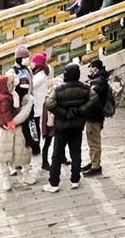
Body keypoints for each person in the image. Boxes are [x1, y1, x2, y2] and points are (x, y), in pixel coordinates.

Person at [42, 63, 100, 193]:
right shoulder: (84, 88)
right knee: (75, 153)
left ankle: (54, 183)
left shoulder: (59, 89)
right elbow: (94, 98)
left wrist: (63, 113)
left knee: (57, 155)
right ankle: (75, 180)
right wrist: (80, 110)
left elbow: (50, 103)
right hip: (77, 125)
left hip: (61, 126)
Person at [0, 71, 36, 191]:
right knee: (3, 154)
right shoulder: (1, 96)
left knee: (23, 152)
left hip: (20, 127)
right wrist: (1, 124)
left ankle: (26, 174)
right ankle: (6, 178)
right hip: (4, 129)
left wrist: (12, 123)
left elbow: (24, 113)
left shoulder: (27, 98)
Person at [82, 59, 111, 177]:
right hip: (94, 115)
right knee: (91, 140)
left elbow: (92, 95)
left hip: (94, 115)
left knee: (94, 141)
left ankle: (96, 166)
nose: (90, 69)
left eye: (92, 66)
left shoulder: (98, 81)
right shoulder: (98, 79)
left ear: (96, 68)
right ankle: (93, 162)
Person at [12, 45, 39, 155]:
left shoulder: (27, 70)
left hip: (29, 101)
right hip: (20, 103)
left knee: (31, 124)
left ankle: (34, 145)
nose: (27, 60)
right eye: (24, 58)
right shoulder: (13, 71)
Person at [30, 52, 52, 162]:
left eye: (32, 62)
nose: (31, 64)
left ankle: (36, 146)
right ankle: (35, 145)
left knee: (36, 124)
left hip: (38, 102)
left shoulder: (41, 75)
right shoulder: (40, 72)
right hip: (38, 101)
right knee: (36, 124)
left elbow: (32, 85)